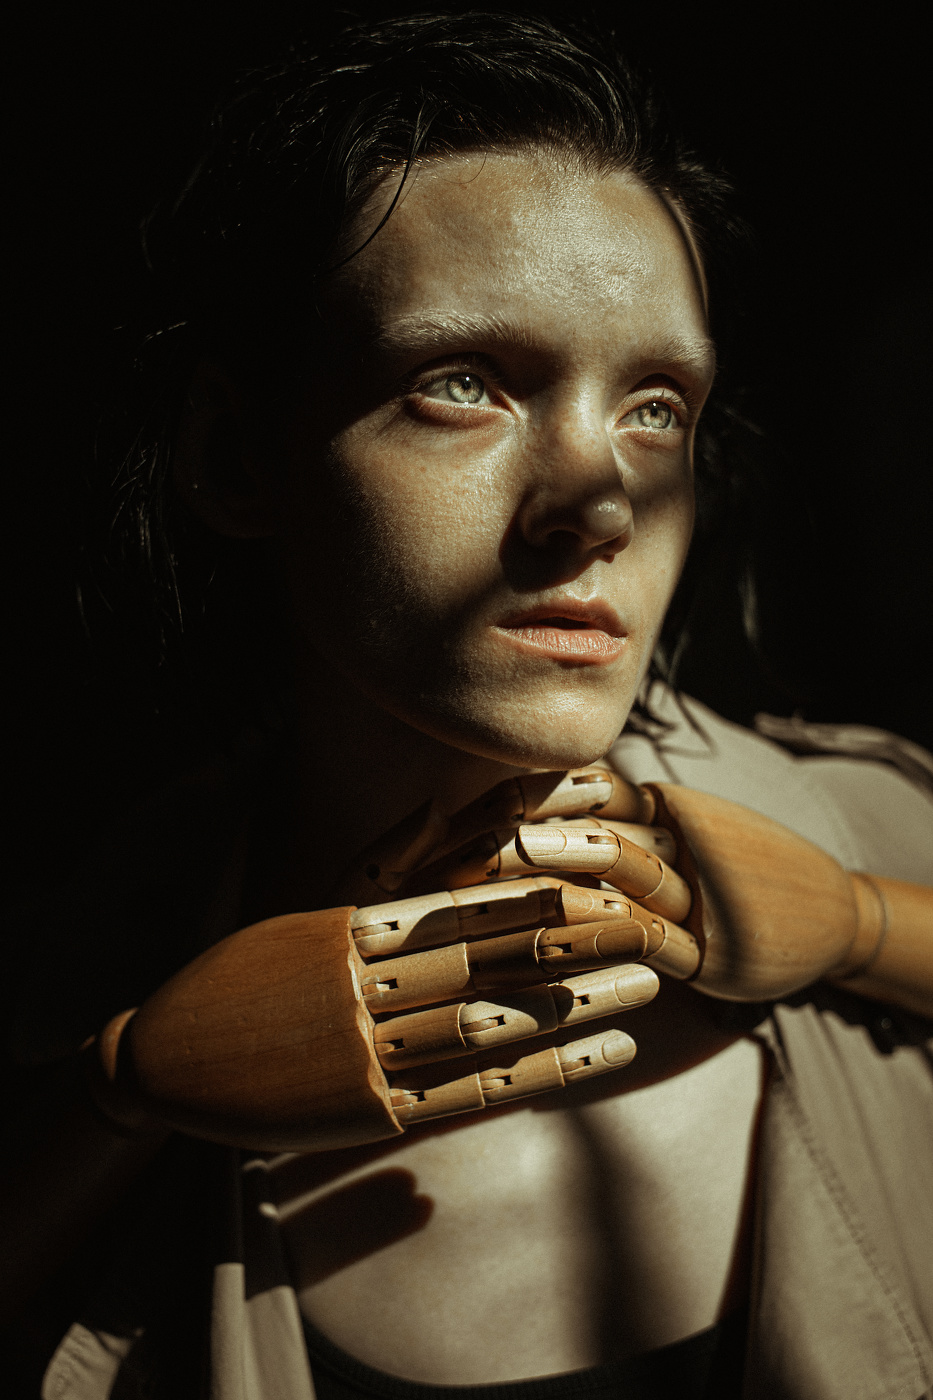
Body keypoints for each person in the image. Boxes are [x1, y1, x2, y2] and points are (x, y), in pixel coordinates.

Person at [4, 11, 932, 1399]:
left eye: (655, 405)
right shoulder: (79, 947)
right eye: (464, 384)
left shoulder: (880, 823)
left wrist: (865, 922)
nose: (598, 502)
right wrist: (119, 1091)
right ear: (237, 454)